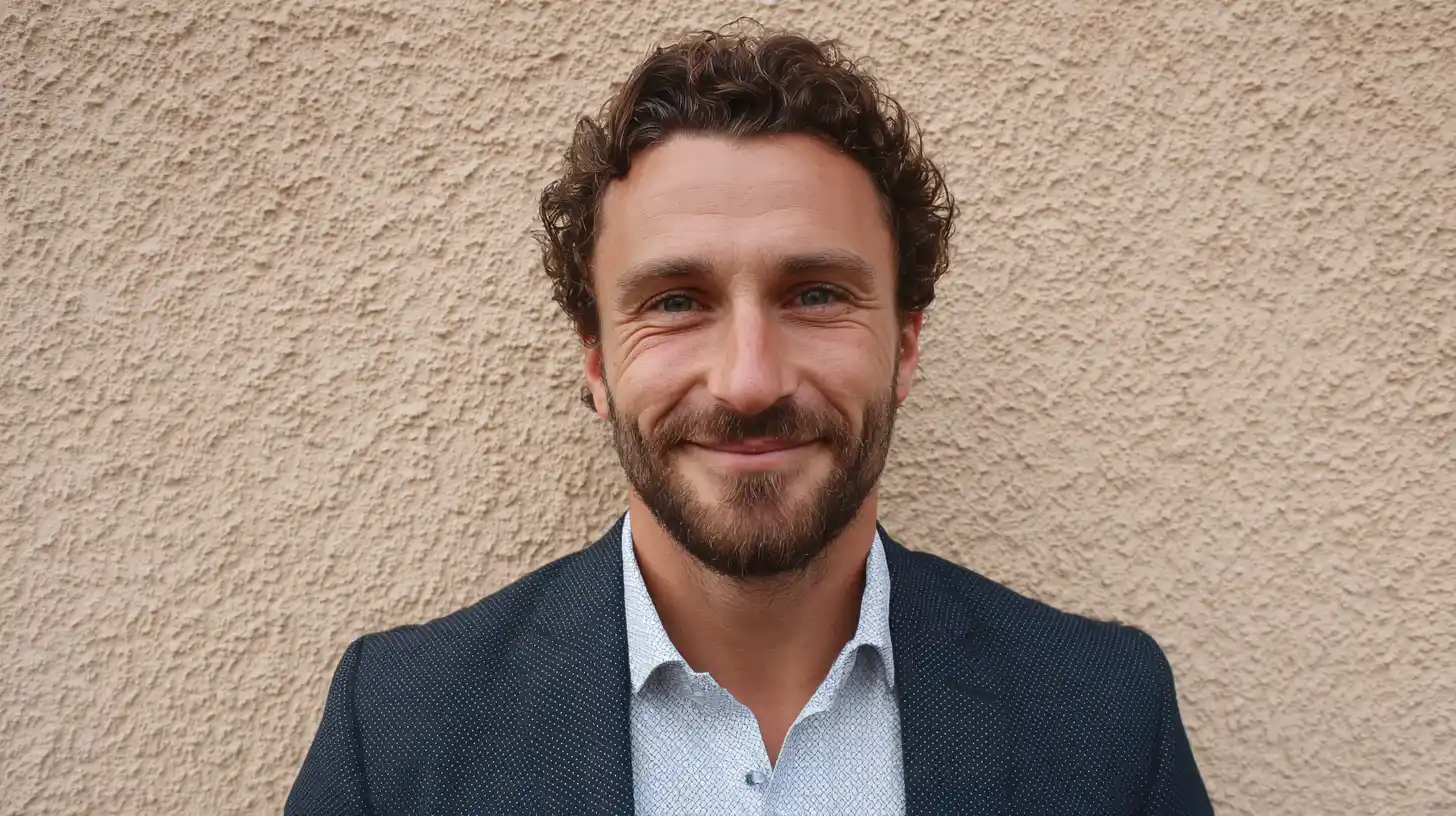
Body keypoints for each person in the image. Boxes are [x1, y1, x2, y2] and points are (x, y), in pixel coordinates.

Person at [286, 25, 1213, 815]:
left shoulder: (1107, 720)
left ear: (905, 344)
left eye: (815, 294)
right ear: (596, 361)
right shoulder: (395, 735)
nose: (749, 382)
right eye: (676, 302)